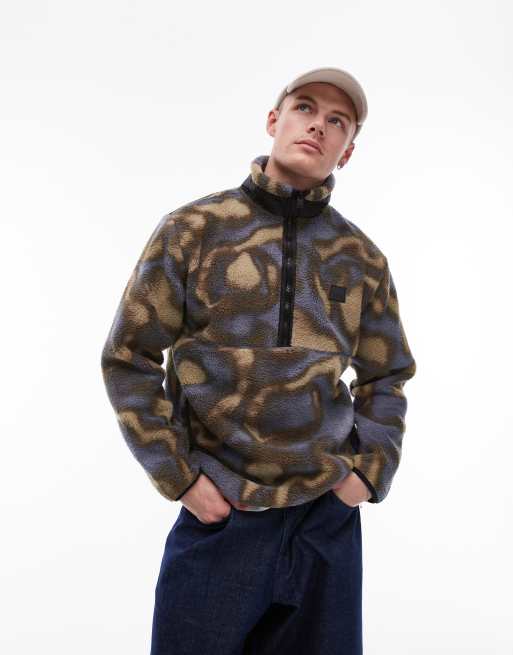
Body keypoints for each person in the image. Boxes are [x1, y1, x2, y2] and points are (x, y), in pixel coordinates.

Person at [101, 65, 416, 654]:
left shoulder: (362, 258)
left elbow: (388, 375)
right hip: (220, 515)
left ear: (348, 151)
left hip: (324, 521)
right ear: (274, 121)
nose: (317, 126)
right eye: (305, 108)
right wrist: (181, 478)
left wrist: (366, 477)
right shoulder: (192, 230)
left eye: (338, 122)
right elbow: (128, 357)